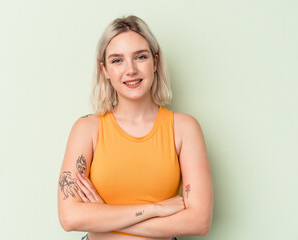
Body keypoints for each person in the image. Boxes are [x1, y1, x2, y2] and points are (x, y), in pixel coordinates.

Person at [57, 15, 213, 240]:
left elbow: (199, 221)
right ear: (105, 70)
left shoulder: (184, 128)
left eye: (140, 57)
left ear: (155, 62)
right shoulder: (87, 129)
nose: (130, 70)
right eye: (117, 60)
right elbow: (70, 218)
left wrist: (104, 216)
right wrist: (154, 209)